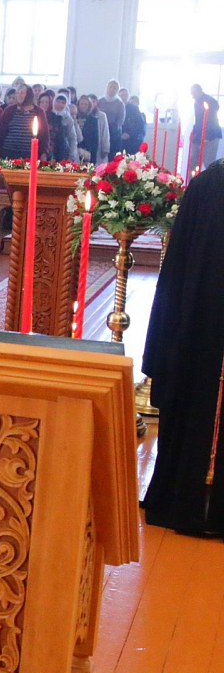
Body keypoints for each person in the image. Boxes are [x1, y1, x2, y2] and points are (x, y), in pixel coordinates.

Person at [142, 161, 224, 536]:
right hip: (203, 325)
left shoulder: (208, 184)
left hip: (199, 324)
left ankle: (188, 499)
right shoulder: (210, 185)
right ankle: (192, 499)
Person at [0, 85, 49, 161]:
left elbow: (44, 134)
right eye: (17, 93)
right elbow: (1, 131)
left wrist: (44, 152)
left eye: (22, 93)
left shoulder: (39, 111)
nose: (19, 95)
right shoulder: (9, 110)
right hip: (9, 152)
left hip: (30, 154)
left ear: (29, 94)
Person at [189, 84, 221, 170]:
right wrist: (194, 133)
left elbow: (211, 120)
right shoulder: (196, 102)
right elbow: (198, 120)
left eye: (194, 93)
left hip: (211, 136)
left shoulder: (210, 101)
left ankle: (210, 178)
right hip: (198, 135)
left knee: (208, 162)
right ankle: (192, 179)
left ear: (199, 91)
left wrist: (208, 137)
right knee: (193, 162)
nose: (193, 96)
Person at [76, 95, 110, 165]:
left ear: (89, 106)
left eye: (86, 104)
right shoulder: (74, 117)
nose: (83, 106)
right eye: (81, 104)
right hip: (75, 151)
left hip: (88, 153)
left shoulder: (93, 120)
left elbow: (95, 140)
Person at [51, 93, 81, 163]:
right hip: (50, 151)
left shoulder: (68, 118)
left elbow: (72, 138)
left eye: (63, 103)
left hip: (63, 151)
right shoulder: (48, 115)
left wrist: (71, 156)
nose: (60, 104)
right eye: (58, 102)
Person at [99, 80, 126, 158]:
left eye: (115, 88)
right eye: (110, 87)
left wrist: (114, 128)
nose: (112, 89)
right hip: (100, 129)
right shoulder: (100, 101)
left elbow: (121, 119)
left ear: (117, 91)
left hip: (114, 132)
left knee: (113, 155)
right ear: (107, 88)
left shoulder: (120, 103)